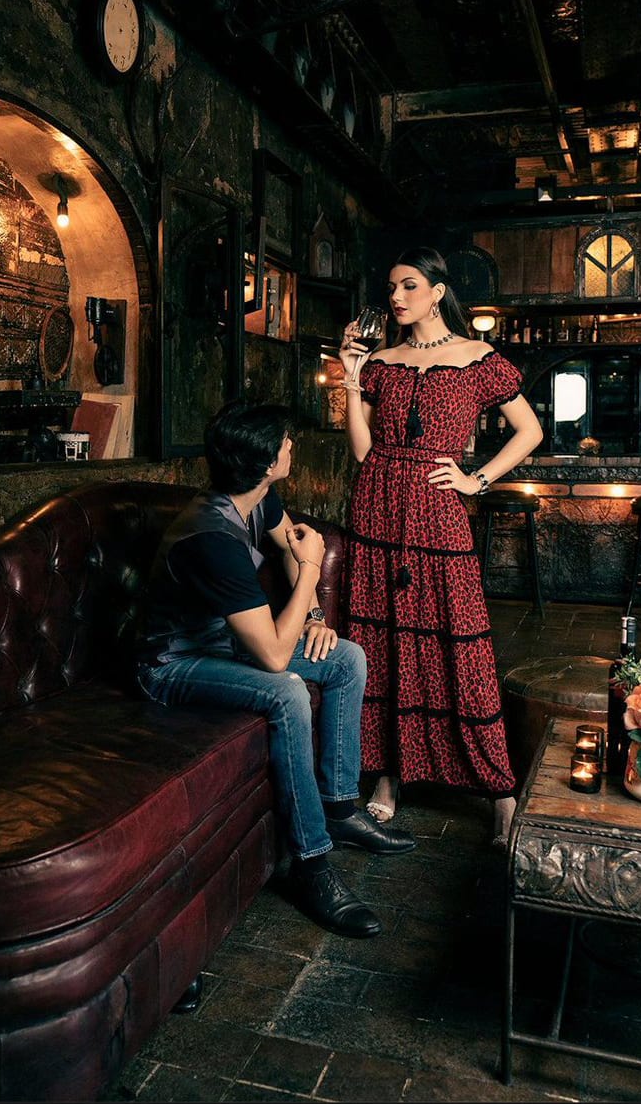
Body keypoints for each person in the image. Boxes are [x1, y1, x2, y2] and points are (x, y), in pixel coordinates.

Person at [135, 399, 416, 940]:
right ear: (265, 463)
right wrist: (311, 570)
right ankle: (312, 865)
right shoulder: (211, 536)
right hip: (173, 663)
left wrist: (312, 614)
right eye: (286, 442)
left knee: (347, 658)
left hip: (225, 644)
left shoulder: (256, 499)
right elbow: (269, 654)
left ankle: (338, 806)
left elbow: (293, 543)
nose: (292, 446)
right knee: (286, 690)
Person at [338, 246, 544, 846]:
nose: (395, 298)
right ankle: (388, 778)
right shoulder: (380, 361)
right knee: (381, 638)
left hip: (437, 509)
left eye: (408, 286)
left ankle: (499, 789)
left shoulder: (479, 359)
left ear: (436, 291)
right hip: (377, 504)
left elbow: (529, 431)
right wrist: (350, 380)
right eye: (391, 288)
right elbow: (359, 451)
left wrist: (476, 479)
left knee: (460, 639)